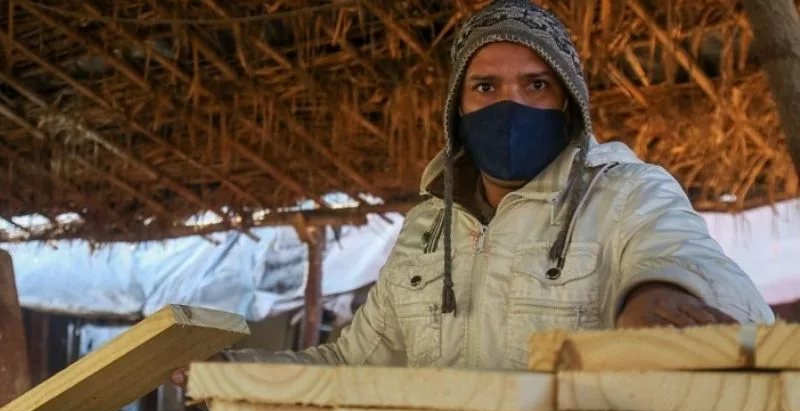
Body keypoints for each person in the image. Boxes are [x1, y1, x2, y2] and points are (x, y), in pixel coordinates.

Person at [171, 0, 774, 388]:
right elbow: (347, 366)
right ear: (457, 111)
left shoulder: (626, 193)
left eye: (535, 85)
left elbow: (716, 286)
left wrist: (661, 292)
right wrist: (226, 373)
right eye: (485, 87)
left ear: (568, 104)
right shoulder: (426, 230)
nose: (510, 105)